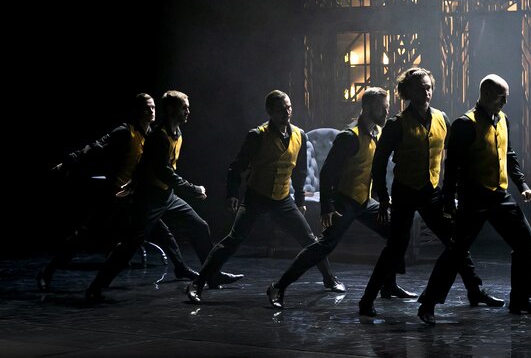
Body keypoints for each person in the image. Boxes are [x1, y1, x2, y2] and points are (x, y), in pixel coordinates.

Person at [358, 67, 501, 317]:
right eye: (420, 88)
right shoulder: (396, 124)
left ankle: (475, 291)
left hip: (431, 191)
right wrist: (382, 197)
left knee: (456, 241)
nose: (426, 92)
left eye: (429, 87)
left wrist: (453, 192)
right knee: (395, 247)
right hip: (404, 191)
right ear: (407, 92)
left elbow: (454, 156)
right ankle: (367, 299)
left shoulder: (441, 118)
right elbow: (378, 163)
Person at [186, 90, 344, 304]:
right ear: (270, 111)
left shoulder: (299, 135)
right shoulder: (257, 135)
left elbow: (300, 172)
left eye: (289, 107)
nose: (287, 112)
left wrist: (299, 200)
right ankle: (197, 284)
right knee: (233, 240)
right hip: (257, 197)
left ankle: (329, 279)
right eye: (281, 109)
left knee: (309, 240)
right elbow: (236, 167)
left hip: (282, 198)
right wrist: (232, 193)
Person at [266, 87, 416, 309]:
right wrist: (327, 208)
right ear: (367, 108)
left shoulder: (377, 132)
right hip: (344, 202)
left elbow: (371, 169)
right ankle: (278, 287)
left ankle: (389, 285)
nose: (387, 112)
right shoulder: (349, 137)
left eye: (387, 108)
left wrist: (382, 199)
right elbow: (327, 173)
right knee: (323, 246)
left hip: (364, 201)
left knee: (397, 231)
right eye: (382, 108)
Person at [416, 75, 531, 325]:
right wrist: (448, 201)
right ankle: (428, 304)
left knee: (526, 245)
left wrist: (522, 185)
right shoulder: (464, 124)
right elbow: (451, 166)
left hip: (500, 196)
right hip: (474, 198)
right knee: (456, 252)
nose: (505, 102)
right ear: (486, 94)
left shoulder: (502, 119)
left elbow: (509, 155)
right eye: (501, 97)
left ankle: (520, 300)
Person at [85, 90, 242, 301]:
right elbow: (164, 172)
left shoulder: (177, 133)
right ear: (170, 109)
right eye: (184, 108)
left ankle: (212, 275)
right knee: (131, 244)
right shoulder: (158, 136)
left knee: (199, 226)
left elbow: (148, 163)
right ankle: (95, 287)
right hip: (149, 198)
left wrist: (134, 180)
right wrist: (193, 189)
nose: (188, 112)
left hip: (166, 196)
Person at [37, 94, 196, 290]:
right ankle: (47, 272)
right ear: (137, 111)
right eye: (147, 108)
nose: (151, 111)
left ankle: (180, 267)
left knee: (162, 231)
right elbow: (95, 147)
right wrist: (68, 162)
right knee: (84, 235)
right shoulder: (125, 131)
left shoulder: (154, 135)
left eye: (153, 107)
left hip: (138, 196)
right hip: (116, 194)